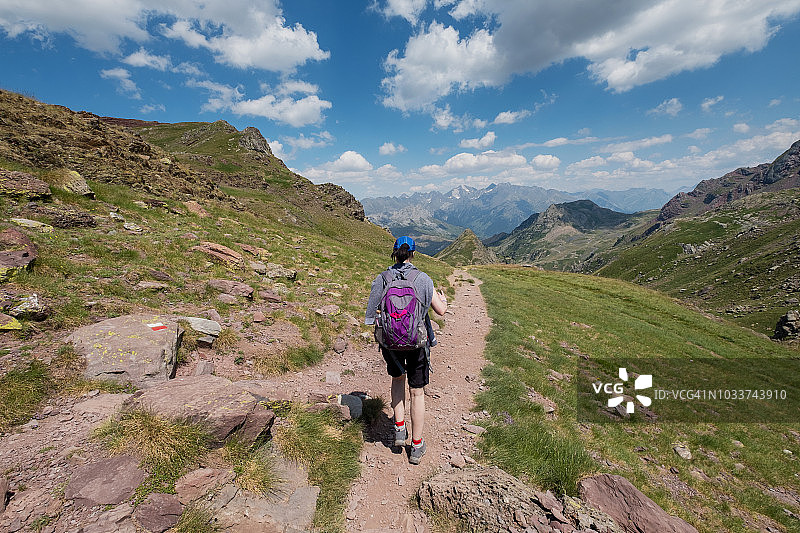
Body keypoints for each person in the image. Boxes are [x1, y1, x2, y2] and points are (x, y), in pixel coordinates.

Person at [365, 236, 448, 464]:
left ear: (394, 253)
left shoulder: (382, 278)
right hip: (417, 342)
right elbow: (440, 311)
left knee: (398, 380)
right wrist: (443, 300)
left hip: (391, 343)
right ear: (413, 254)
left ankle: (399, 428)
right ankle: (417, 445)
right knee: (417, 392)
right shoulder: (423, 279)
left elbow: (370, 315)